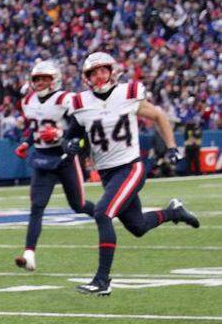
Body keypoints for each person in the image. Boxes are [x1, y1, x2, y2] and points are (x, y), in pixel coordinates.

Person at [66, 53, 200, 296]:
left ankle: (102, 281)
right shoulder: (81, 103)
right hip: (107, 173)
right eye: (94, 72)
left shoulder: (127, 93)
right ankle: (174, 212)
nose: (99, 76)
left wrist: (172, 147)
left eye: (103, 70)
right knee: (137, 226)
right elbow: (72, 136)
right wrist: (72, 145)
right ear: (87, 77)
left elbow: (159, 115)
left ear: (112, 72)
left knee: (102, 213)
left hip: (130, 167)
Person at [13, 60, 95, 272]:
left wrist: (61, 135)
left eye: (44, 78)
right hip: (42, 158)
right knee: (37, 207)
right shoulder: (29, 100)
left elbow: (81, 128)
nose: (39, 82)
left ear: (54, 80)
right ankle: (29, 254)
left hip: (65, 157)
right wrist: (27, 143)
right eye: (37, 79)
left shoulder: (65, 99)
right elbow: (36, 129)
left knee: (78, 205)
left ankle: (105, 214)